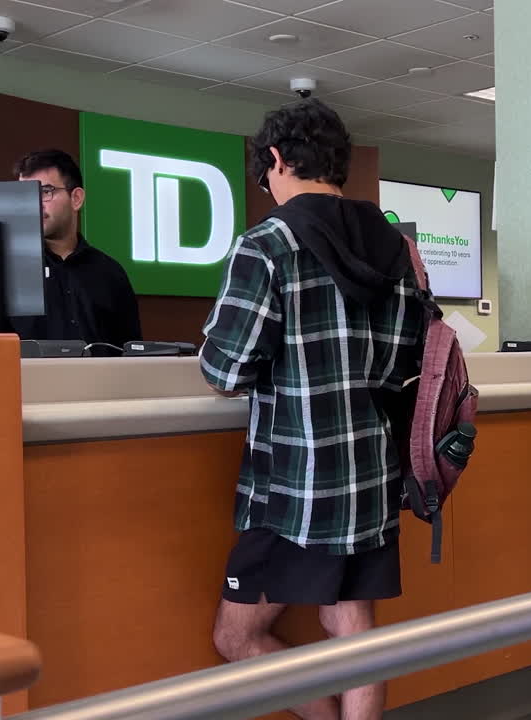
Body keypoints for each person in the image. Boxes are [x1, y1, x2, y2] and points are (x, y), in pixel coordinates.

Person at [199, 99, 424, 720]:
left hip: (293, 483)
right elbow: (410, 358)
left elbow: (225, 370)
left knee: (234, 636)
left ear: (275, 160)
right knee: (352, 626)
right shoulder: (396, 246)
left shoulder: (268, 244)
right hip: (372, 472)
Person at [10, 149, 141, 350]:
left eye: (45, 192)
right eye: (25, 195)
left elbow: (132, 354)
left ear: (76, 198)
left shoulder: (110, 273)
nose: (33, 204)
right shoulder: (6, 271)